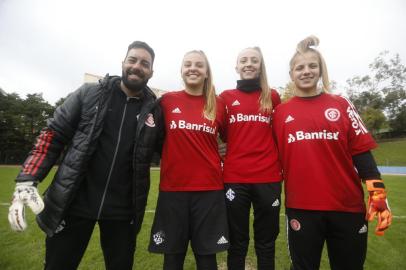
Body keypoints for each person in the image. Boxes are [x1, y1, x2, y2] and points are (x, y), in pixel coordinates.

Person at [8, 41, 162, 270]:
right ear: (123, 63)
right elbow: (53, 134)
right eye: (133, 60)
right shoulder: (90, 94)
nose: (137, 66)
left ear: (151, 71)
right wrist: (27, 178)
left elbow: (175, 148)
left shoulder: (155, 111)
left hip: (123, 210)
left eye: (144, 63)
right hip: (74, 203)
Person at [272, 35, 393, 270]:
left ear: (320, 70)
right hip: (302, 208)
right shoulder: (279, 113)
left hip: (347, 208)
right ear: (291, 74)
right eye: (300, 67)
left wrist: (378, 195)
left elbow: (362, 153)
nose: (306, 71)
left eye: (312, 66)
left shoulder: (341, 104)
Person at [148, 50, 229, 270]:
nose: (193, 68)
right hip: (173, 191)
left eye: (199, 65)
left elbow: (232, 140)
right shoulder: (166, 101)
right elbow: (154, 138)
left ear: (206, 72)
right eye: (188, 64)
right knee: (173, 259)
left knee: (207, 259)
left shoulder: (218, 104)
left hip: (209, 191)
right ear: (182, 71)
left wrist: (222, 148)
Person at [219, 47, 282, 270]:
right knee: (237, 242)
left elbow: (280, 132)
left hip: (268, 177)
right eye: (243, 60)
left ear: (260, 66)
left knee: (266, 243)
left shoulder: (272, 96)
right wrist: (218, 148)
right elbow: (216, 132)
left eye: (254, 60)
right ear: (236, 66)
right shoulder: (225, 98)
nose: (248, 64)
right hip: (235, 178)